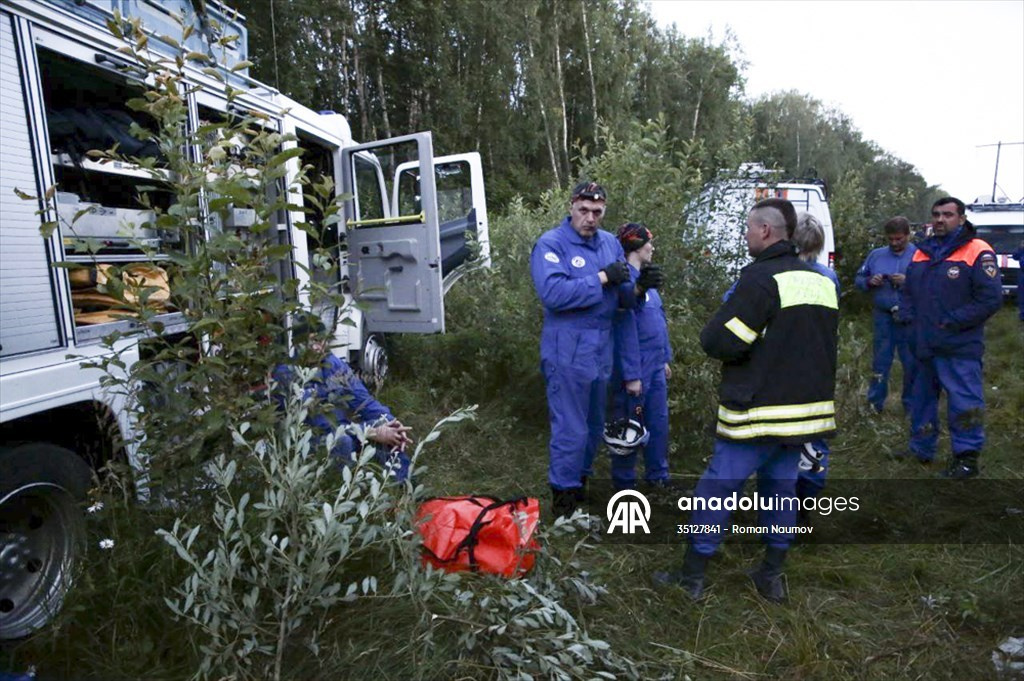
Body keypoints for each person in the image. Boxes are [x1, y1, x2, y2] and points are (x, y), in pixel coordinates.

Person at [653, 198, 839, 602]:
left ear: (766, 232)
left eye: (749, 228)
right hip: (802, 416)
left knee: (716, 489)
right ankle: (771, 575)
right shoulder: (823, 282)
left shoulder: (760, 279)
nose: (746, 235)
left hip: (756, 412)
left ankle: (692, 576)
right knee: (780, 491)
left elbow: (719, 340)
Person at [530, 182, 660, 517]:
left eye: (597, 212)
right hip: (567, 345)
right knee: (570, 426)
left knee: (592, 425)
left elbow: (623, 301)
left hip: (602, 345)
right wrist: (602, 278)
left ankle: (580, 484)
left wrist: (640, 287)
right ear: (572, 206)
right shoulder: (552, 243)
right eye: (584, 210)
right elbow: (553, 295)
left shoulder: (608, 243)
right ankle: (563, 500)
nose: (590, 218)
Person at [898, 197, 1002, 478]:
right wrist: (907, 318)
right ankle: (921, 448)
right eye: (936, 215)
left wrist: (953, 321)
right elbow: (908, 291)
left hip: (958, 344)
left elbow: (990, 299)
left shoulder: (977, 250)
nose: (940, 220)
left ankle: (967, 457)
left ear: (961, 218)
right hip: (923, 344)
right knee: (921, 401)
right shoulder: (923, 251)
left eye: (947, 214)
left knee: (964, 402)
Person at [273, 317, 414, 481]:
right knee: (343, 441)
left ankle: (404, 490)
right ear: (298, 345)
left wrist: (390, 421)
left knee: (388, 425)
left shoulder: (332, 364)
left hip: (345, 429)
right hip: (310, 439)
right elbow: (315, 427)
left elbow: (363, 401)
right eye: (313, 342)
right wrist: (369, 432)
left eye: (323, 341)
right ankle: (342, 490)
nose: (320, 348)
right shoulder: (286, 374)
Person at [607, 222, 672, 490]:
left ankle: (658, 477)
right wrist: (632, 375)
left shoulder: (648, 281)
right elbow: (624, 331)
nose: (652, 247)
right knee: (629, 425)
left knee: (658, 423)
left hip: (655, 366)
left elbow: (658, 321)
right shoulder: (626, 283)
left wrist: (665, 358)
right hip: (636, 369)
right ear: (635, 245)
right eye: (648, 242)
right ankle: (625, 485)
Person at [792, 212, 840, 504]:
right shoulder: (828, 276)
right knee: (814, 433)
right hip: (819, 366)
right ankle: (807, 495)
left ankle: (782, 502)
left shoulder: (773, 273)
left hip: (784, 367)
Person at [855, 217, 918, 413]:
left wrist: (909, 282)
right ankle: (875, 405)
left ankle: (912, 406)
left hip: (910, 318)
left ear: (908, 235)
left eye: (899, 239)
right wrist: (869, 282)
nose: (894, 243)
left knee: (912, 363)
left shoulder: (920, 256)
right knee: (880, 362)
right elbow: (859, 279)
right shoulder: (876, 255)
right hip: (883, 318)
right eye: (890, 239)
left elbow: (933, 286)